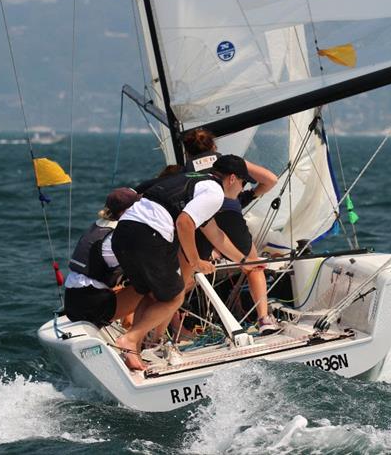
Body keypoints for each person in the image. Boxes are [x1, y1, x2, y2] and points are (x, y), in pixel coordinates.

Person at [111, 154, 252, 370]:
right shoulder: (215, 193)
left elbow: (215, 234)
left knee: (152, 294)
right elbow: (184, 223)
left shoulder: (196, 180)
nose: (242, 189)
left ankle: (133, 351)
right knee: (175, 296)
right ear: (233, 178)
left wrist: (244, 261)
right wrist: (196, 262)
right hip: (149, 236)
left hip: (124, 233)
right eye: (244, 183)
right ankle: (129, 340)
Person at [182, 128, 279, 334]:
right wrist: (247, 197)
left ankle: (171, 331)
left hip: (200, 218)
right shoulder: (227, 162)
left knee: (186, 275)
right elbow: (271, 179)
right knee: (253, 265)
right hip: (229, 213)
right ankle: (264, 319)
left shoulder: (186, 169)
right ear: (214, 146)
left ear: (187, 151)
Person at [63, 188, 141, 327]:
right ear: (124, 212)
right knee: (154, 288)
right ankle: (136, 337)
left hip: (72, 302)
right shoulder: (118, 235)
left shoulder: (98, 226)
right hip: (92, 307)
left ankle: (130, 326)